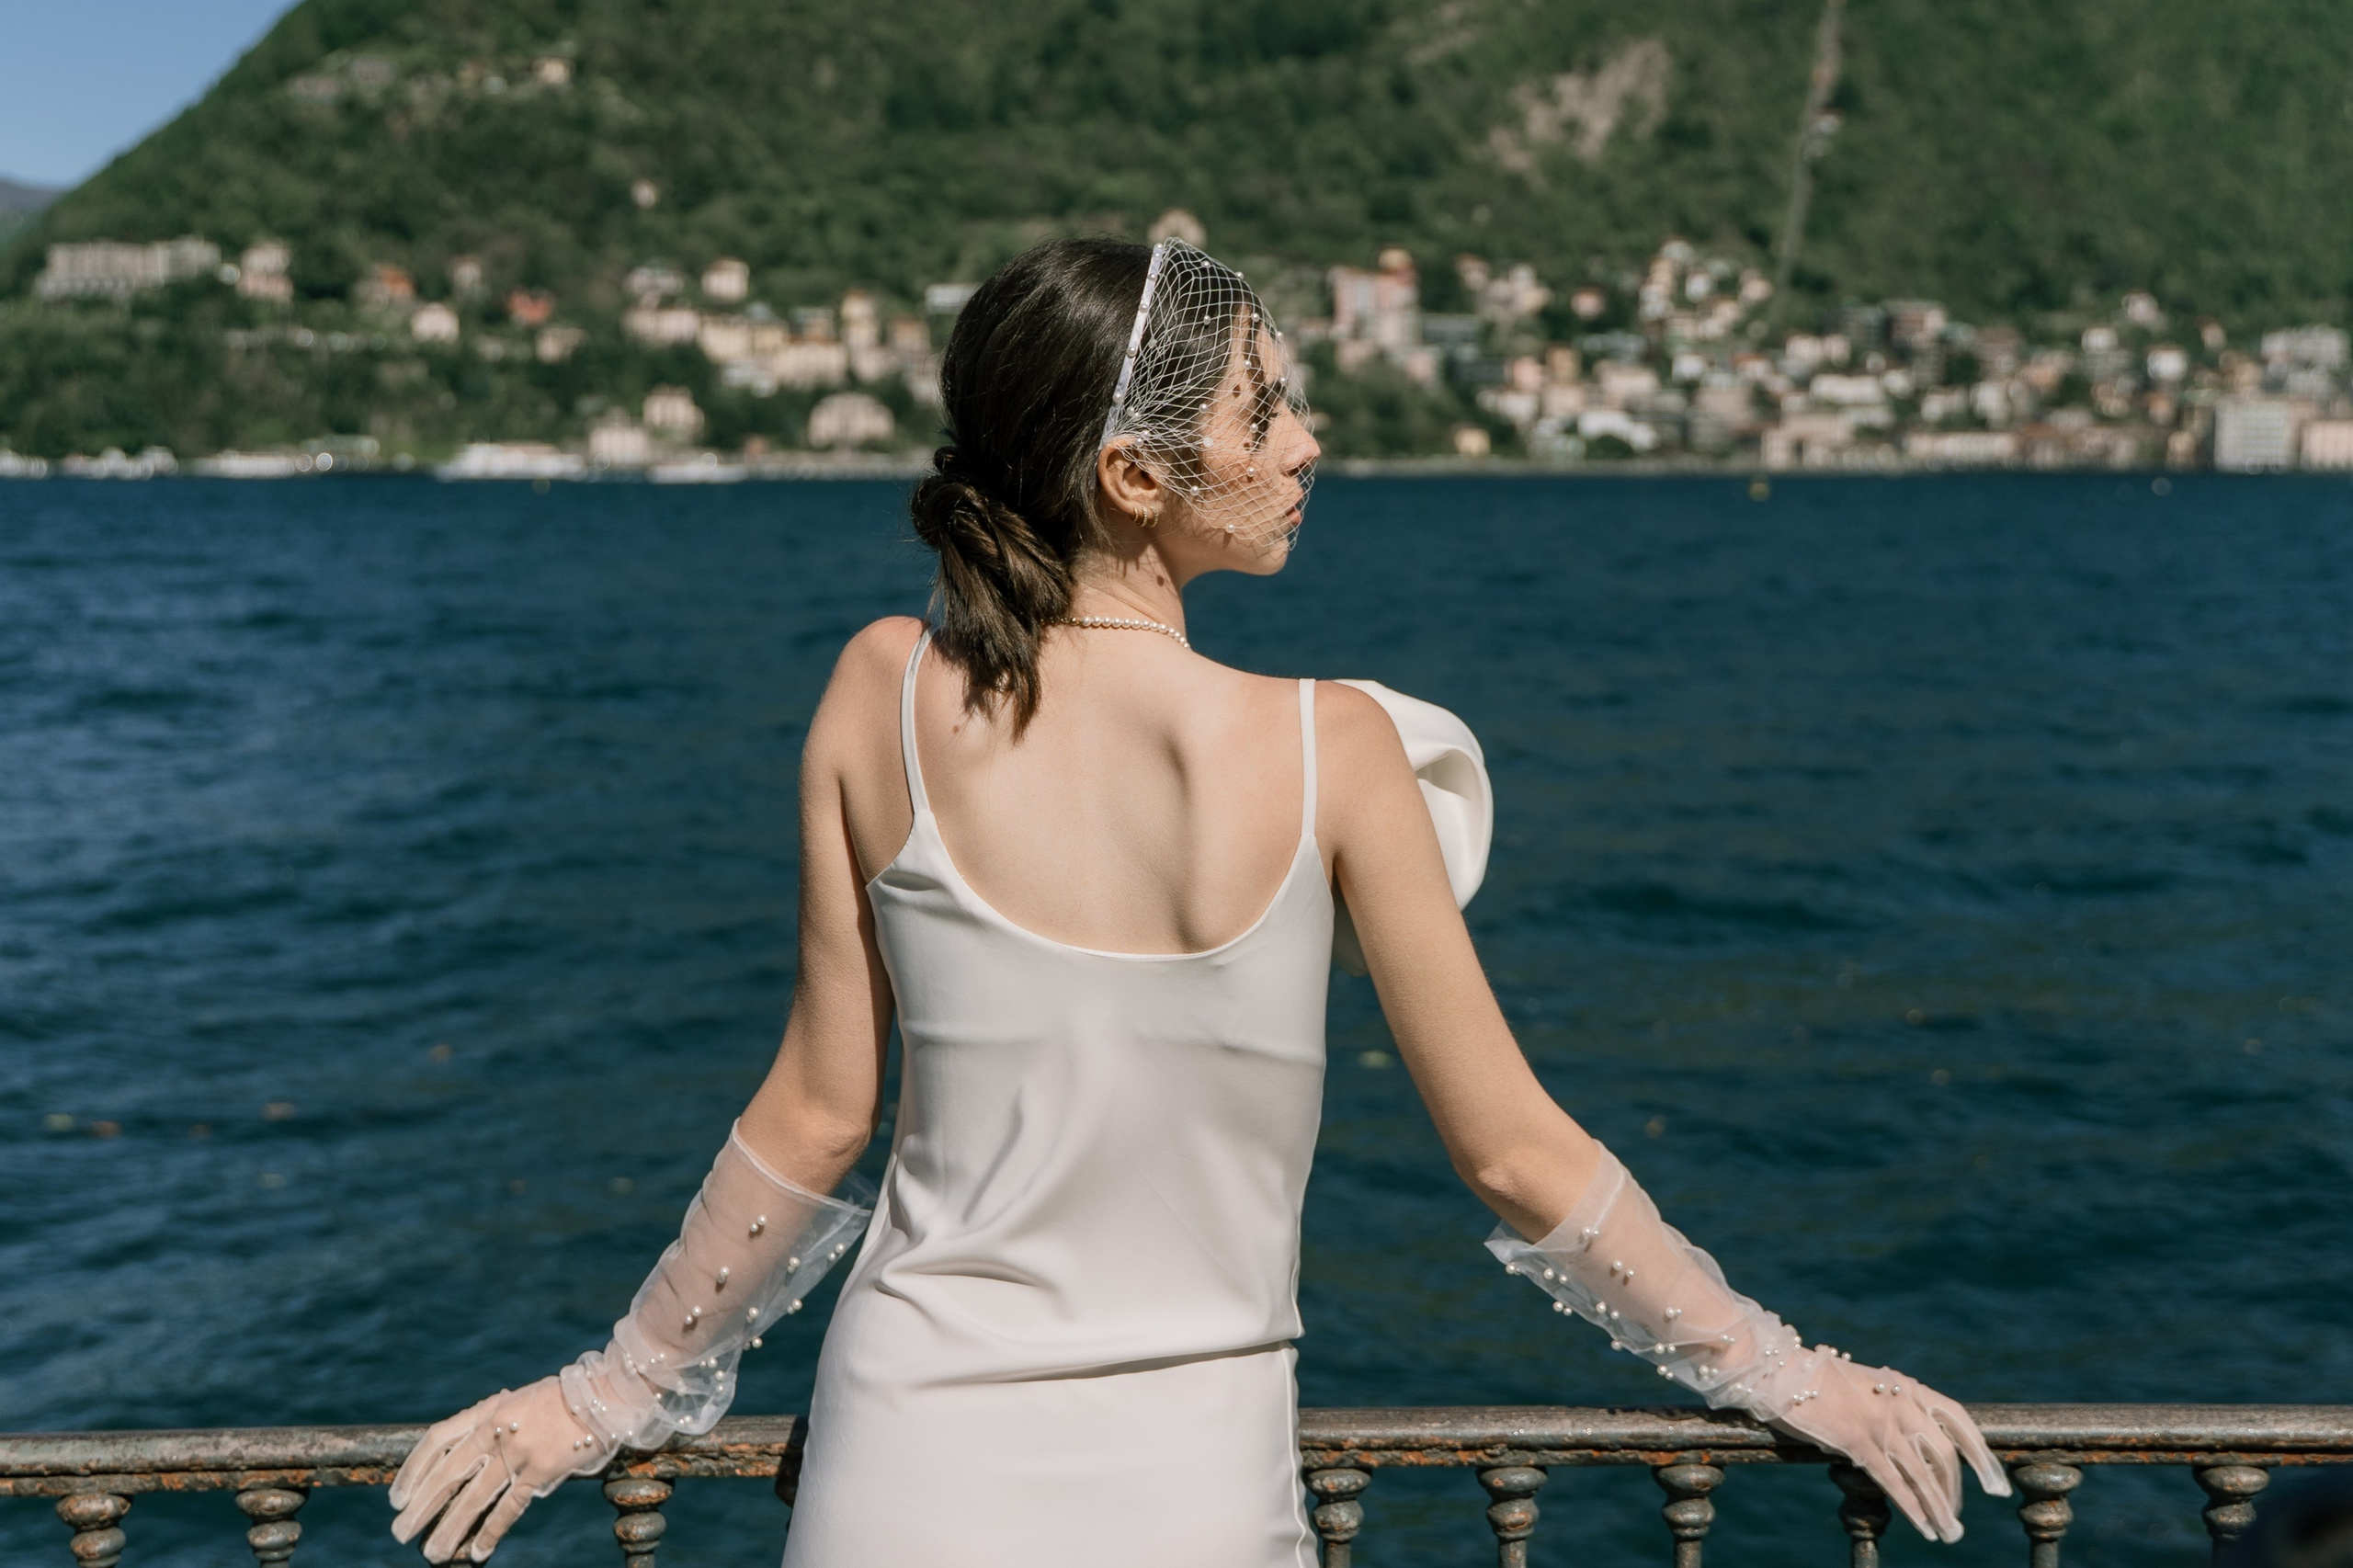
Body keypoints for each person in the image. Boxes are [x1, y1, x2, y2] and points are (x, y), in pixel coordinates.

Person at [388, 238, 2009, 1567]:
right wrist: (1800, 1376)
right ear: (1138, 473)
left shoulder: (879, 695)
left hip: (902, 1478)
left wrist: (600, 1399)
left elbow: (817, 1118)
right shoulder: (1332, 750)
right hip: (1193, 1499)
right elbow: (1515, 1156)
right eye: (1264, 409)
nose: (1306, 442)